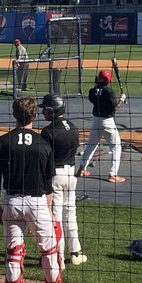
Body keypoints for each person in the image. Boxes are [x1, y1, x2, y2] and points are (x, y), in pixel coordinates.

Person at [0, 96, 72, 283]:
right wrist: (49, 213)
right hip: (38, 204)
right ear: (34, 116)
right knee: (50, 255)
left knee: (14, 256)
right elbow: (49, 186)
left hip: (12, 204)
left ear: (15, 115)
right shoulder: (44, 144)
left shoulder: (2, 142)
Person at [40, 94, 84, 266]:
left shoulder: (48, 131)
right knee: (70, 213)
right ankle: (76, 252)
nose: (43, 112)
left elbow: (44, 157)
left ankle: (58, 256)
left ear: (52, 111)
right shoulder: (73, 127)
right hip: (71, 175)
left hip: (55, 176)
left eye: (45, 109)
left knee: (56, 217)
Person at [77, 69, 125, 182]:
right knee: (116, 147)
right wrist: (122, 99)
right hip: (107, 122)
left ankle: (81, 169)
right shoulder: (110, 92)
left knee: (91, 145)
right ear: (109, 80)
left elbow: (95, 97)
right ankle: (113, 174)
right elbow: (114, 108)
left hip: (95, 121)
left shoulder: (92, 91)